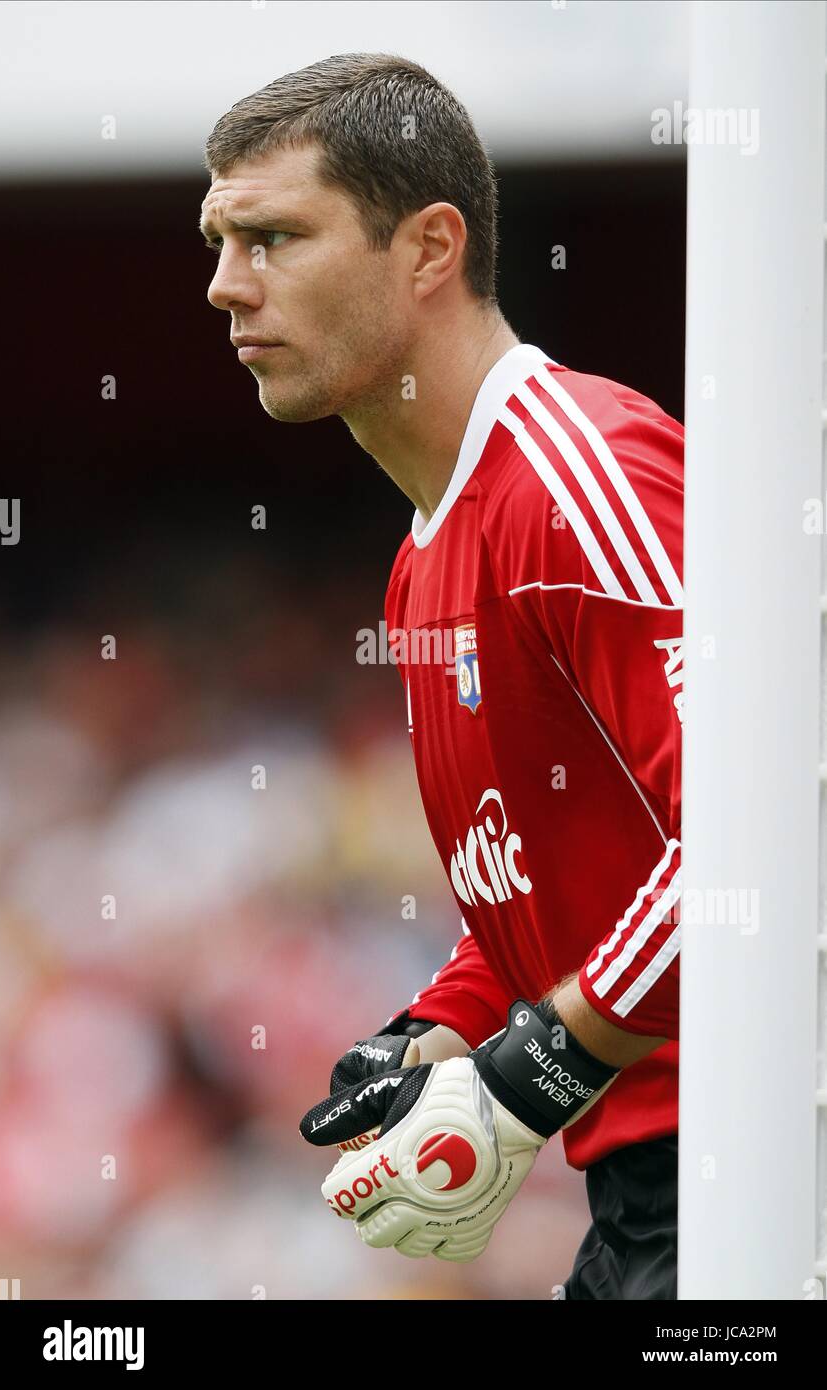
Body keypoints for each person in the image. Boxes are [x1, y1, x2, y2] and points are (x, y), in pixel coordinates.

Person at [200, 52, 682, 1299]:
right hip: (645, 1194)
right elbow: (554, 890)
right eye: (218, 241)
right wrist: (438, 1032)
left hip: (769, 1156)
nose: (222, 286)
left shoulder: (585, 480)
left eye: (271, 238)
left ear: (428, 247)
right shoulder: (423, 557)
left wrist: (539, 1067)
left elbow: (770, 840)